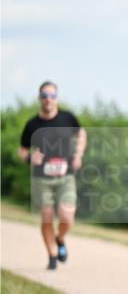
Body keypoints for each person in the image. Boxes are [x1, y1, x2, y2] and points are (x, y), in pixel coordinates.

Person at [18, 81, 87, 270]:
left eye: (52, 95)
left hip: (65, 176)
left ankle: (60, 238)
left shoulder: (67, 118)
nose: (48, 99)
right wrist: (30, 158)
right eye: (45, 96)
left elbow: (81, 134)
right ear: (39, 98)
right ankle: (52, 255)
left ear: (57, 98)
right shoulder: (32, 124)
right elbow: (22, 150)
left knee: (67, 216)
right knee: (47, 217)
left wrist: (78, 155)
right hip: (42, 178)